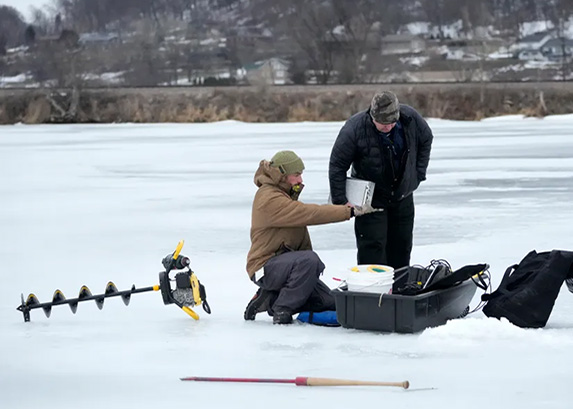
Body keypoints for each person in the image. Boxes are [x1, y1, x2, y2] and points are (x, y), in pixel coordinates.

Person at [244, 150, 379, 324]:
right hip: (264, 267)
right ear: (282, 174)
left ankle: (270, 298)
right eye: (296, 175)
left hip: (286, 266)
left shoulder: (283, 193)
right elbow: (309, 213)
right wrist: (348, 211)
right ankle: (282, 308)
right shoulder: (269, 198)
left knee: (329, 302)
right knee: (309, 260)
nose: (300, 180)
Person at [328, 91, 433, 269]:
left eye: (392, 123)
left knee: (401, 247)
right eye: (383, 124)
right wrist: (341, 201)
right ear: (372, 116)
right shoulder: (354, 128)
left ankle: (398, 292)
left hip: (402, 196)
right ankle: (373, 292)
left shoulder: (410, 118)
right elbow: (337, 165)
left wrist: (417, 174)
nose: (389, 127)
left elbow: (426, 139)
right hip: (371, 201)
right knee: (372, 250)